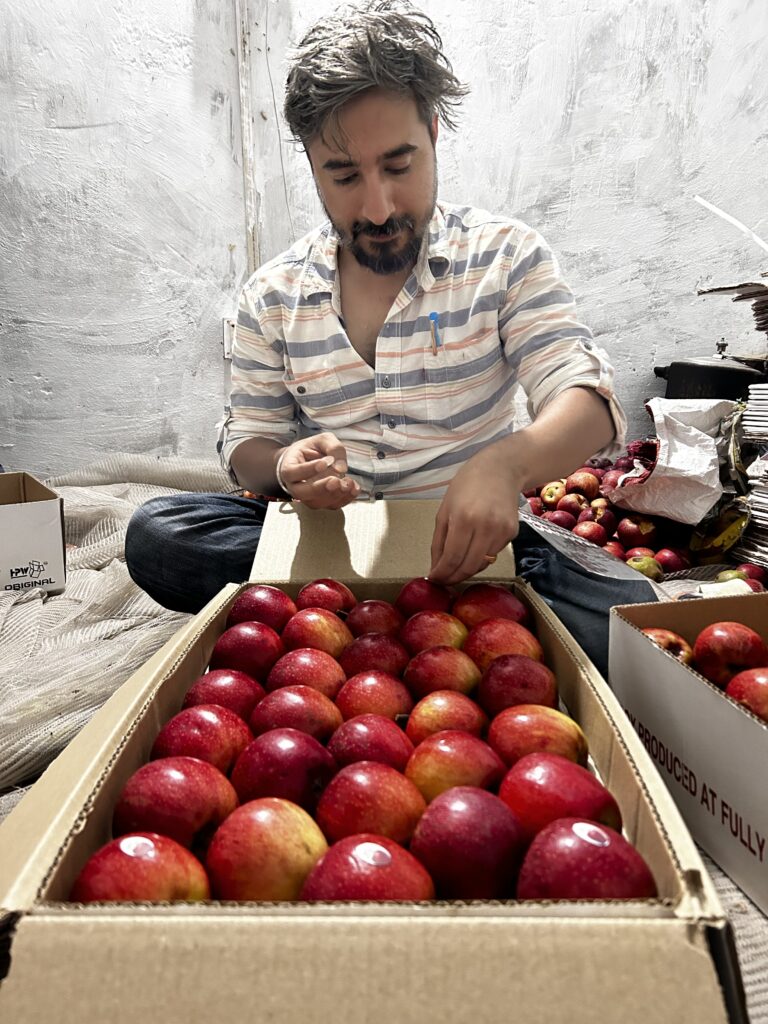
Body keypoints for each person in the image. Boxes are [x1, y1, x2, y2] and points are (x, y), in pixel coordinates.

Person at [126, 0, 651, 665]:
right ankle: (367, 609)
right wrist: (285, 468)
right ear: (311, 165)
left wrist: (505, 464)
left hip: (469, 546)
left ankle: (349, 613)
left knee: (634, 629)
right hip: (327, 538)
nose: (376, 208)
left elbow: (590, 403)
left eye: (399, 167)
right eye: (343, 176)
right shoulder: (274, 295)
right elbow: (247, 444)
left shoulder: (505, 257)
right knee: (157, 534)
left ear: (433, 134)